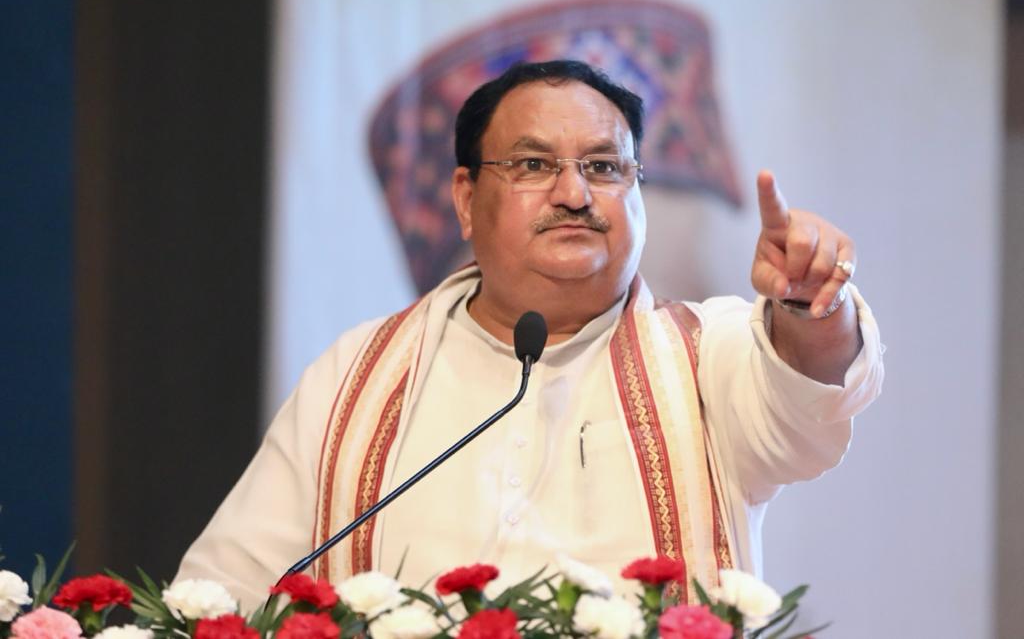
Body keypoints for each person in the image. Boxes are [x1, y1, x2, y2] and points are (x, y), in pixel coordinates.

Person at [176, 60, 883, 611]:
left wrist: (810, 307)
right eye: (534, 165)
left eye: (604, 167)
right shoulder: (355, 375)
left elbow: (807, 393)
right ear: (463, 197)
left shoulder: (704, 355)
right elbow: (226, 591)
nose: (575, 192)